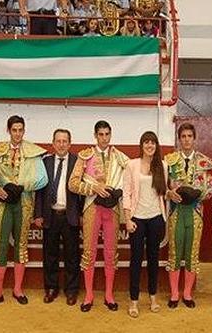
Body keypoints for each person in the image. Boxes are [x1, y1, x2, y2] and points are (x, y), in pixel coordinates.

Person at [0, 115, 48, 308]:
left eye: (20, 130)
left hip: (24, 203)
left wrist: (23, 185)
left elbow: (42, 179)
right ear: (8, 130)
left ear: (24, 130)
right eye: (14, 130)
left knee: (20, 246)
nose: (17, 133)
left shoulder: (32, 151)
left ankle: (18, 289)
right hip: (4, 204)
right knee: (1, 245)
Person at [68, 120, 129, 312]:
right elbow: (73, 183)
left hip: (112, 208)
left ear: (111, 135)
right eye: (101, 134)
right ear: (95, 135)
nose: (104, 138)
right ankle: (89, 295)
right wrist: (94, 187)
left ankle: (109, 295)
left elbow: (131, 178)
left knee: (111, 253)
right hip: (92, 207)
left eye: (107, 134)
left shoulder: (120, 157)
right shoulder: (85, 156)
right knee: (89, 252)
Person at [164, 123, 212, 309]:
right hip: (176, 211)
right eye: (183, 136)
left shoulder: (204, 162)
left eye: (189, 136)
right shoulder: (169, 161)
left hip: (195, 211)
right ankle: (174, 293)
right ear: (179, 139)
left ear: (194, 139)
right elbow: (160, 184)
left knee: (192, 254)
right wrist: (169, 193)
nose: (186, 139)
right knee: (174, 253)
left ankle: (186, 293)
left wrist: (199, 194)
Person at [34, 129, 84, 306]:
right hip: (50, 215)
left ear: (70, 144)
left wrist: (82, 214)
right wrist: (38, 214)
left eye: (65, 141)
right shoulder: (45, 162)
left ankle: (71, 290)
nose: (61, 144)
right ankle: (51, 288)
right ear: (53, 143)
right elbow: (39, 191)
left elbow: (83, 191)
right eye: (58, 141)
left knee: (72, 255)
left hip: (70, 215)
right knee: (50, 254)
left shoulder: (78, 162)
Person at [122, 131, 167, 318]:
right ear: (141, 145)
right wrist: (128, 219)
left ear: (156, 146)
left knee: (154, 260)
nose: (150, 146)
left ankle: (153, 298)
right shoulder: (131, 165)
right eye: (146, 142)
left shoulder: (162, 165)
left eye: (153, 143)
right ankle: (133, 301)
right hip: (137, 219)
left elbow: (164, 193)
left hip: (156, 218)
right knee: (136, 260)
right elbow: (126, 193)